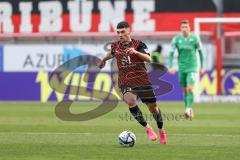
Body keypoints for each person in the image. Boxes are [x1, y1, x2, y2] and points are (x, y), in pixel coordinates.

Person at [98, 21, 167, 144]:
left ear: (129, 31)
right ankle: (147, 127)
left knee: (153, 108)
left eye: (122, 32)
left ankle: (161, 129)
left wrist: (136, 53)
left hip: (142, 80)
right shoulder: (115, 46)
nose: (120, 35)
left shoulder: (138, 44)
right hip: (125, 80)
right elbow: (112, 53)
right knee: (130, 101)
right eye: (118, 32)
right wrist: (103, 59)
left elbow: (149, 58)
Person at [168, 20, 205, 119]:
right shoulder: (176, 39)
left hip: (192, 67)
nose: (184, 29)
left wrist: (202, 66)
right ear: (180, 29)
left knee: (189, 88)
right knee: (184, 90)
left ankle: (188, 108)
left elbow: (201, 52)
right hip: (181, 68)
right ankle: (188, 109)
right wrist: (170, 65)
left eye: (186, 27)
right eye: (183, 27)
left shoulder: (195, 38)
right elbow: (171, 53)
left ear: (190, 28)